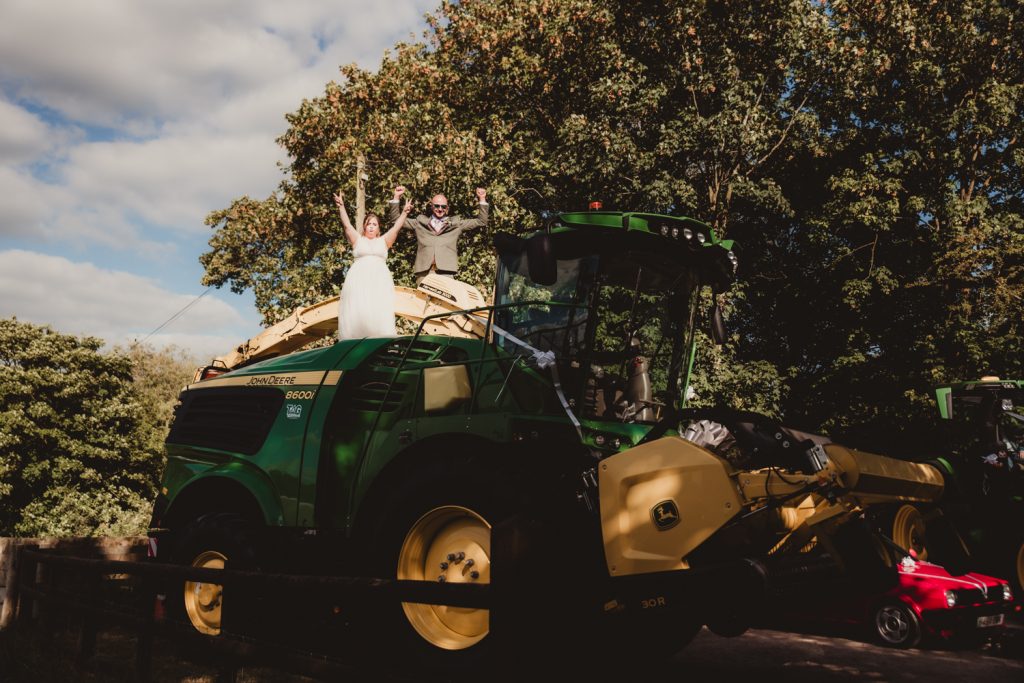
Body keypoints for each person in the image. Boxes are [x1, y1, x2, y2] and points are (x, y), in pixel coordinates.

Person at [334, 191, 412, 340]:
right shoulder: (358, 240)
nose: (371, 227)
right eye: (368, 224)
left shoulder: (384, 241)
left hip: (379, 282)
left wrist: (404, 213)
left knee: (378, 310)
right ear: (364, 227)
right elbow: (347, 225)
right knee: (358, 309)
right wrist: (341, 206)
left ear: (378, 228)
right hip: (358, 282)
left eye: (374, 224)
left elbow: (396, 228)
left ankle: (381, 341)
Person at [388, 185, 488, 284]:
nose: (440, 209)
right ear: (432, 206)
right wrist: (396, 197)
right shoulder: (420, 223)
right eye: (437, 206)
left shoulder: (456, 224)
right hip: (424, 272)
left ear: (447, 208)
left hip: (446, 272)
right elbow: (395, 220)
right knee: (423, 300)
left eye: (443, 206)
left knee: (444, 300)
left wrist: (482, 198)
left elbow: (481, 221)